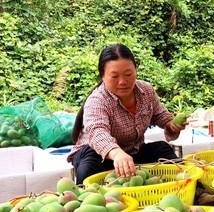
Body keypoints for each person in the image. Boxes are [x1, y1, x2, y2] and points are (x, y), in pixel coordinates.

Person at [68, 44, 184, 184]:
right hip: (99, 156)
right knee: (89, 164)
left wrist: (170, 125)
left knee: (162, 149)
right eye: (114, 76)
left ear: (136, 70)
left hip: (130, 155)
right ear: (102, 76)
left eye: (128, 74)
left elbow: (159, 115)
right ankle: (84, 197)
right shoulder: (98, 100)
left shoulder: (145, 91)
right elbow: (97, 133)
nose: (123, 82)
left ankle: (187, 187)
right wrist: (116, 154)